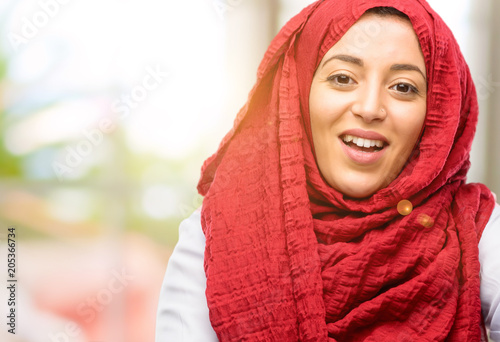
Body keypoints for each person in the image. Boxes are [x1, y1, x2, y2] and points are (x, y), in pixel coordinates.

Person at [156, 0, 500, 340]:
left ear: (438, 115)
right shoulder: (215, 237)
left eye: (403, 87)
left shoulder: (477, 230)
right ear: (297, 94)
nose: (369, 108)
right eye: (342, 78)